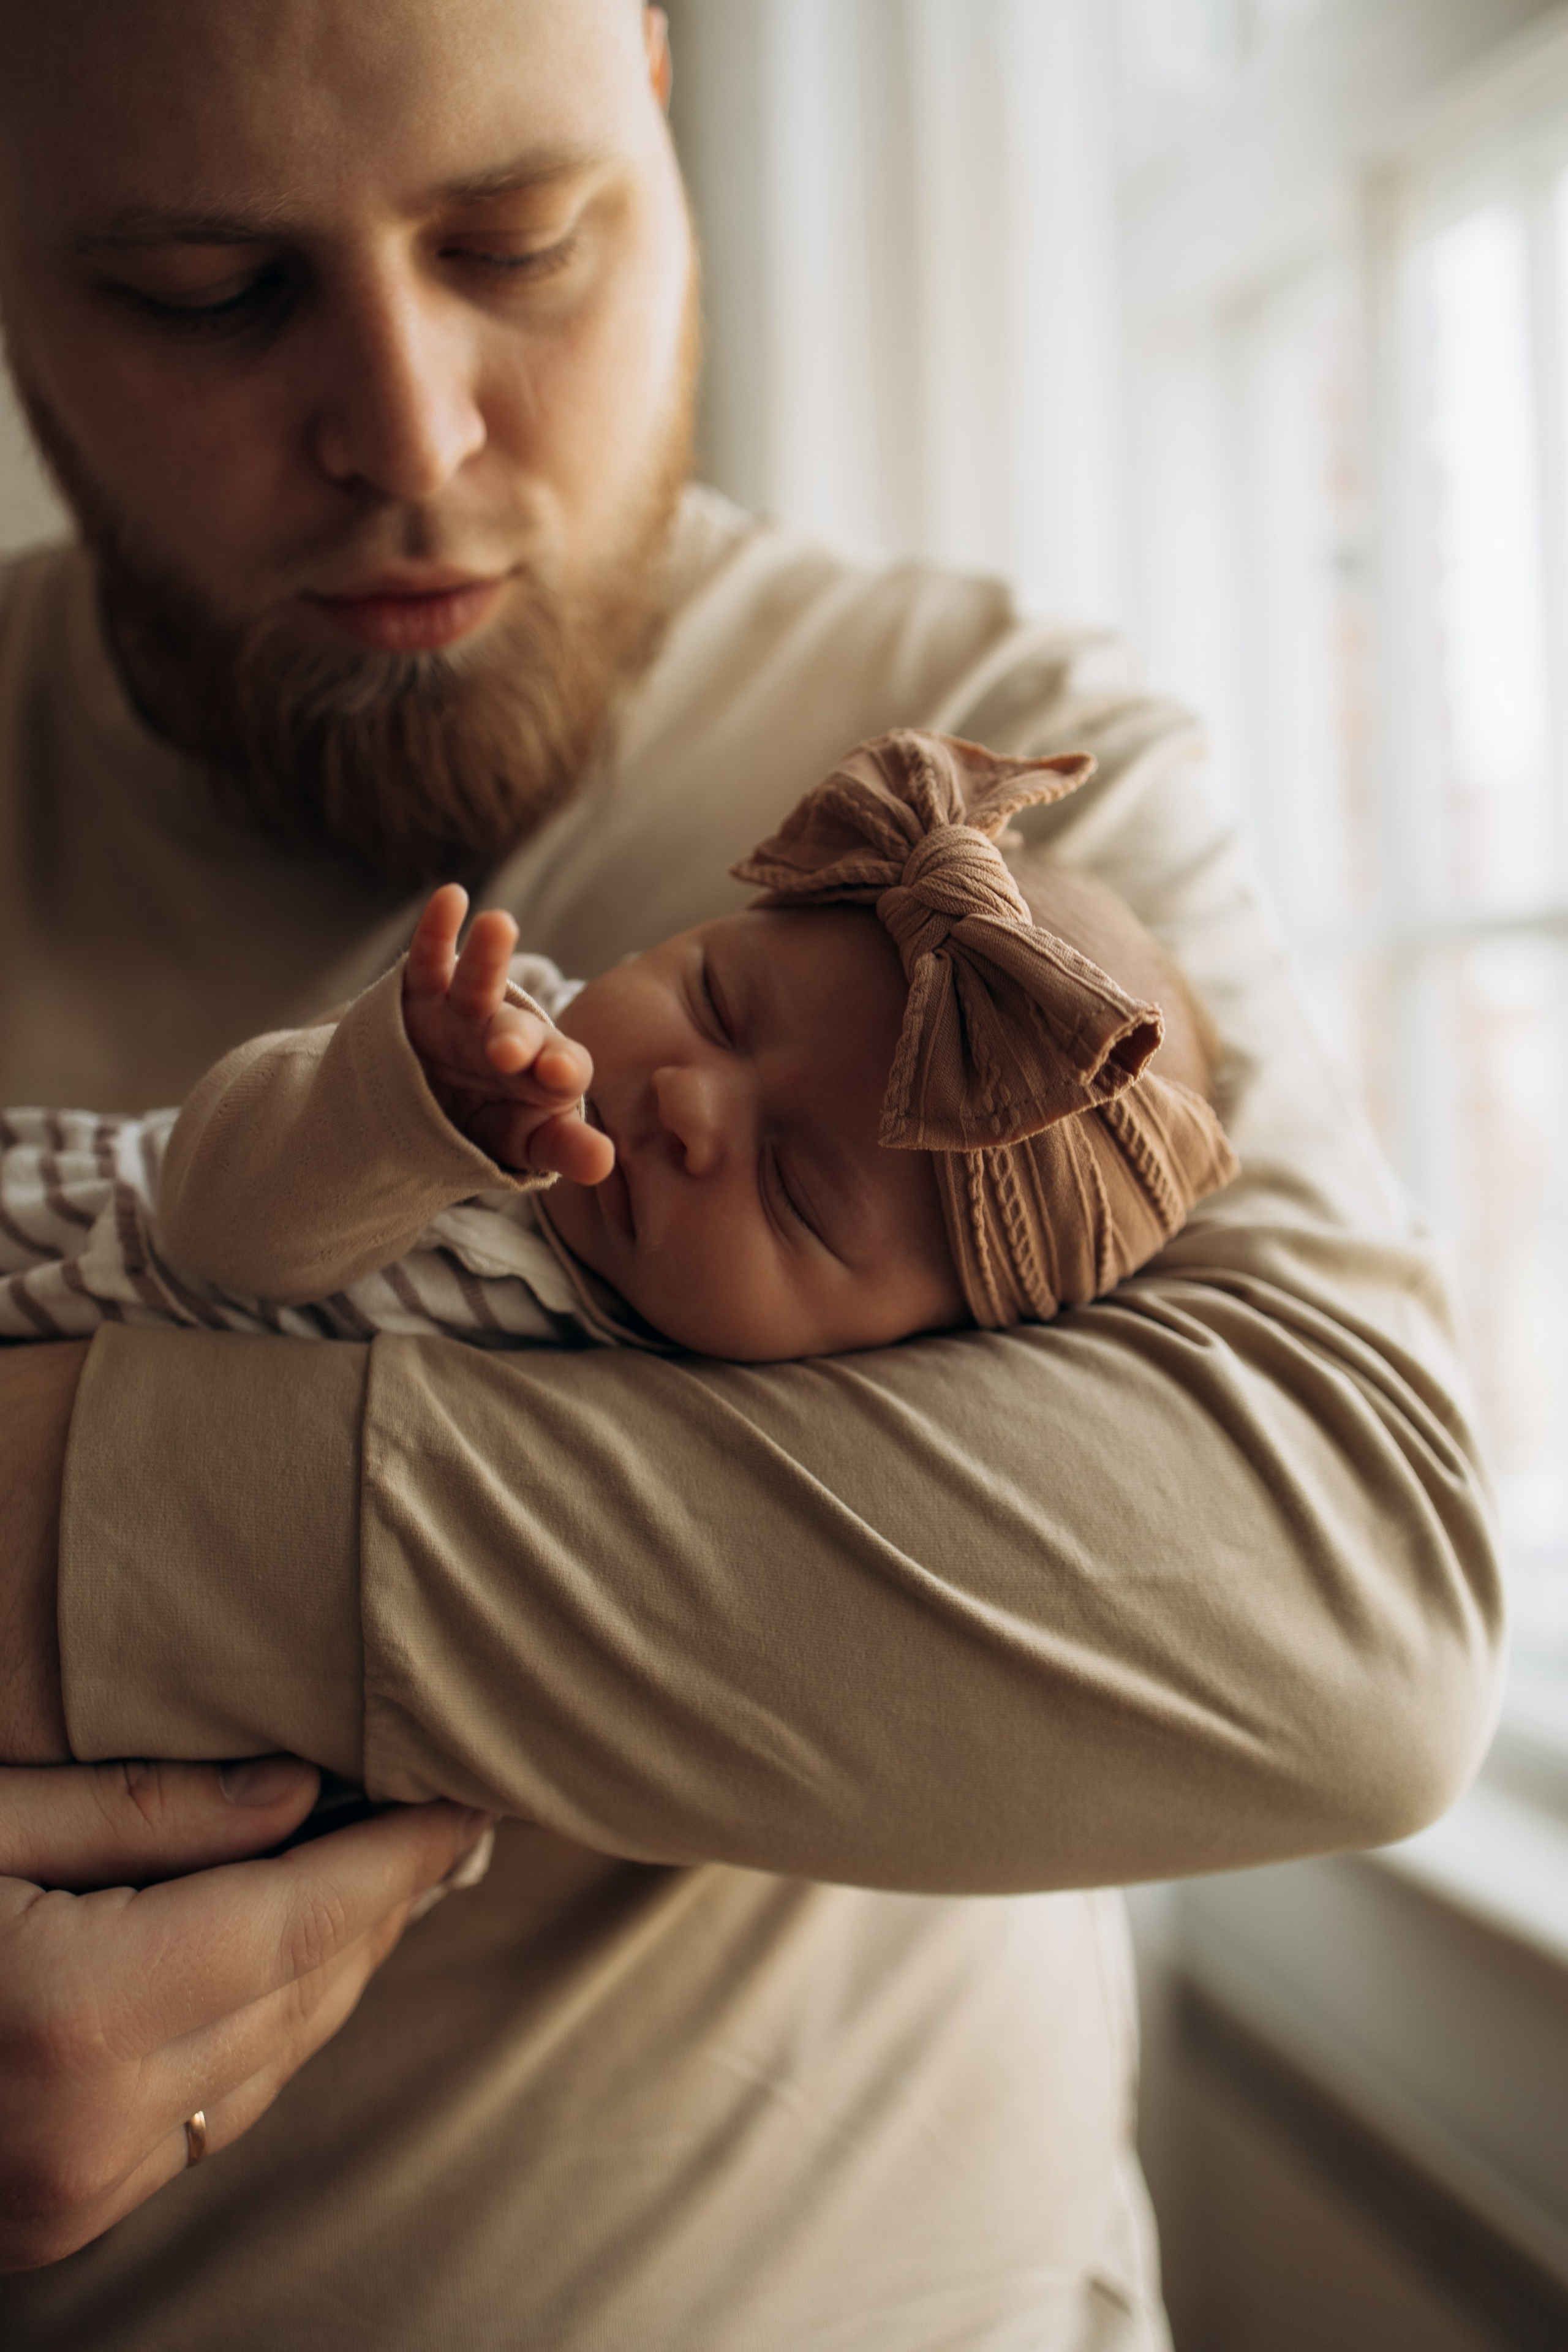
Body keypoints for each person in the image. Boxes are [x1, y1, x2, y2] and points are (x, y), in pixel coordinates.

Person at [0, 3, 1502, 2345]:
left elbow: (1354, 1619)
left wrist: (73, 1518)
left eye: (523, 237)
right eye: (207, 291)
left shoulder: (1007, 810)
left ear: (662, 113)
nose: (410, 432)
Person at [1, 731, 1237, 1362]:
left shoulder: (710, 1421)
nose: (693, 1104)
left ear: (908, 1352)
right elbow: (213, 1216)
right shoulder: (498, 1046)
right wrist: (395, 1109)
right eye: (716, 1001)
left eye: (797, 1189)